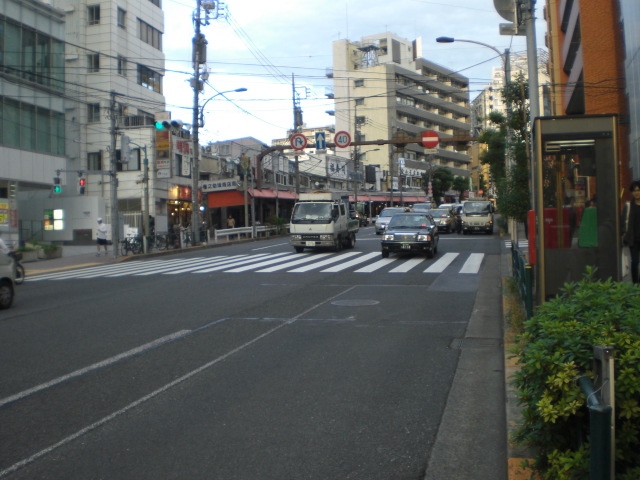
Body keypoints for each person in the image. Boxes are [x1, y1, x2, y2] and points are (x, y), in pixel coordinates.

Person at [623, 180, 640, 284]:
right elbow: (623, 220)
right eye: (634, 191)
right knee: (635, 261)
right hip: (633, 238)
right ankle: (635, 283)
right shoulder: (629, 205)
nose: (636, 193)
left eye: (638, 190)